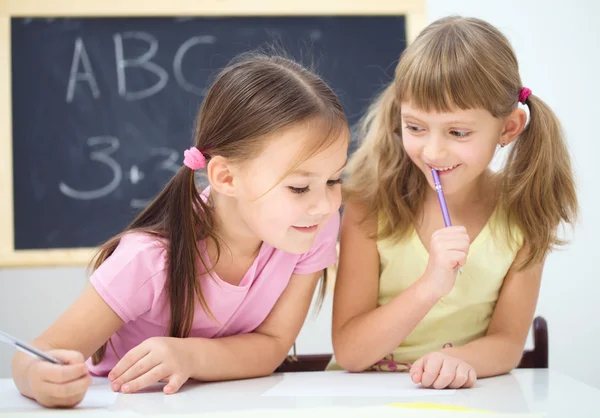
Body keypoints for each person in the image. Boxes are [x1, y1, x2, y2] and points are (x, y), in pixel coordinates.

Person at [12, 52, 349, 407]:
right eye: (298, 187)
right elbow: (35, 354)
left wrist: (187, 356)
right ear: (226, 177)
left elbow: (272, 345)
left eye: (334, 179)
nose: (326, 204)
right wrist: (39, 377)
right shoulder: (148, 259)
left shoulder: (313, 226)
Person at [329, 16, 577, 390]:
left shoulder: (526, 216)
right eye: (415, 127)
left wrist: (456, 362)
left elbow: (508, 344)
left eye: (457, 132)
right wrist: (430, 285)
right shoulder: (370, 205)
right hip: (364, 397)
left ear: (508, 128)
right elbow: (350, 352)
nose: (432, 151)